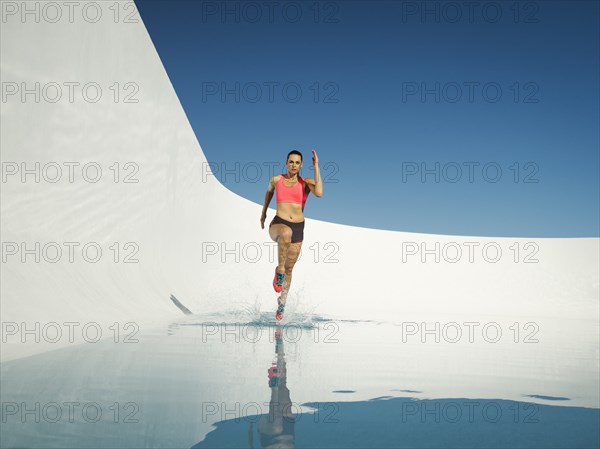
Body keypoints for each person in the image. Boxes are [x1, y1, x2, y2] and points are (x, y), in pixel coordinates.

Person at [260, 149, 323, 320]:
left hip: (298, 228)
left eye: (297, 162)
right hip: (279, 224)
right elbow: (269, 193)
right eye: (291, 162)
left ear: (301, 165)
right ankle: (279, 272)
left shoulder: (305, 183)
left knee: (290, 268)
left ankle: (282, 304)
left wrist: (316, 167)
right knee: (285, 234)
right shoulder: (276, 180)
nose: (294, 165)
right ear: (286, 163)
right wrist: (263, 213)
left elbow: (319, 193)